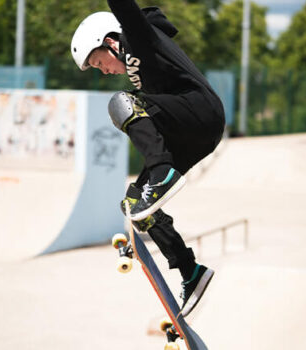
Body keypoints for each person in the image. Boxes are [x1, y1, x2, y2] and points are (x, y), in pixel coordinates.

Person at [71, 1, 225, 315]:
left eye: (102, 63)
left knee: (122, 102)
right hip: (193, 135)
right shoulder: (141, 70)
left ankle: (162, 173)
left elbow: (123, 6)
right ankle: (189, 270)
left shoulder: (139, 36)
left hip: (202, 113)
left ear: (111, 42)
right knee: (135, 205)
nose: (107, 71)